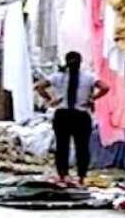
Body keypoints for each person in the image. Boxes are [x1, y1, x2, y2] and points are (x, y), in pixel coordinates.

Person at [34, 51, 109, 184]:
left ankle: (63, 175)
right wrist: (93, 98)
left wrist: (50, 99)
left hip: (63, 114)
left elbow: (39, 87)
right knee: (82, 147)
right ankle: (81, 176)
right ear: (80, 62)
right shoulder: (89, 77)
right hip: (81, 114)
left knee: (62, 146)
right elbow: (105, 87)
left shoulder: (58, 76)